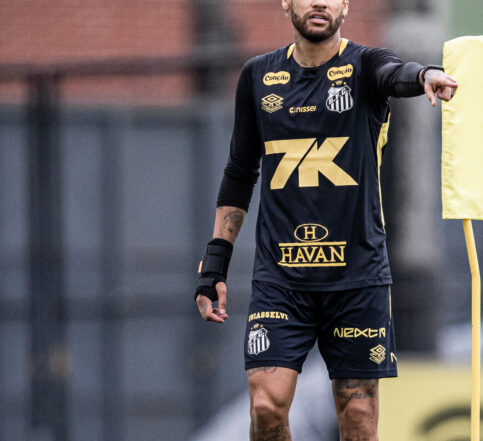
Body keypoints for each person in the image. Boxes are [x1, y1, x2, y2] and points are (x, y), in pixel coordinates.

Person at [194, 0, 458, 439]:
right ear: (286, 3)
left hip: (356, 280)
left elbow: (395, 73)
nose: (320, 2)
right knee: (266, 406)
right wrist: (214, 265)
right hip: (282, 280)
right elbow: (239, 173)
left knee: (358, 419)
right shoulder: (258, 76)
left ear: (345, 7)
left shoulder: (365, 65)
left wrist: (424, 75)